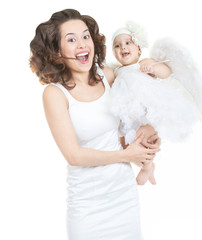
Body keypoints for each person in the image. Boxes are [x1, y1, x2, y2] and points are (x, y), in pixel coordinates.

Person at [29, 9, 161, 240]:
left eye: (85, 36)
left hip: (124, 196)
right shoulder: (55, 94)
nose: (82, 44)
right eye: (71, 39)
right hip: (87, 205)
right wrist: (126, 156)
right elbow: (74, 155)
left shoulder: (109, 76)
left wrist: (147, 136)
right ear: (57, 51)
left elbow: (133, 119)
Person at [111, 22, 202, 185]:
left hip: (149, 114)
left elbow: (166, 73)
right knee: (125, 145)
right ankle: (144, 165)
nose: (123, 48)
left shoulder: (143, 64)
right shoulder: (117, 71)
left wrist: (153, 69)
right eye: (117, 46)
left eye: (128, 43)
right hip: (129, 116)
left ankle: (147, 166)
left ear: (139, 49)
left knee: (144, 138)